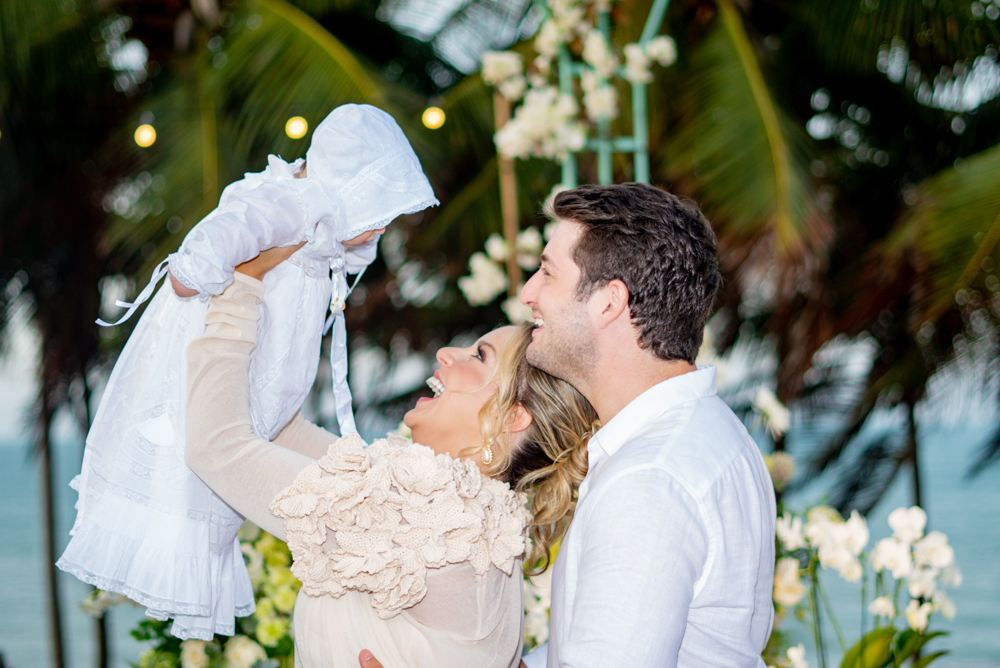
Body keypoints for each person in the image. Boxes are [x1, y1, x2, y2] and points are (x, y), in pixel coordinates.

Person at [57, 104, 439, 640]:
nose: (380, 226)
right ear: (346, 183)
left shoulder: (321, 219)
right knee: (196, 463)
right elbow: (211, 248)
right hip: (228, 349)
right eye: (378, 208)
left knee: (229, 466)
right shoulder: (288, 203)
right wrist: (200, 274)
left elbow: (347, 258)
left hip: (263, 383)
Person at [359, 183, 777, 668]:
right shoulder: (705, 433)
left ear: (608, 303)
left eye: (547, 272)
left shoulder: (650, 480)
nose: (528, 292)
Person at [183, 245, 599, 667]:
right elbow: (281, 429)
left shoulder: (425, 519)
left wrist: (238, 288)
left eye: (479, 356)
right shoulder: (454, 511)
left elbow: (215, 446)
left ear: (511, 417)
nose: (446, 354)